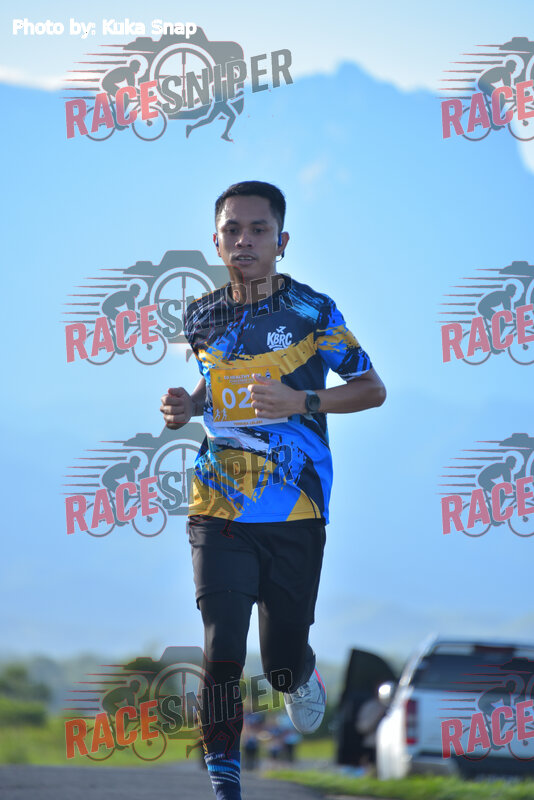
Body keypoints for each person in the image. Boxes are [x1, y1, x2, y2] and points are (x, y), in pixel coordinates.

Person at [160, 181, 386, 800]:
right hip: (218, 505)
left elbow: (371, 389)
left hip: (296, 506)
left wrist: (301, 401)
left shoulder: (313, 311)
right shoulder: (201, 315)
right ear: (216, 242)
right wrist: (189, 406)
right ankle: (225, 783)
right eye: (232, 230)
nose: (244, 241)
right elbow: (218, 382)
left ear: (281, 241)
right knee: (222, 648)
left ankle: (298, 670)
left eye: (258, 229)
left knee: (279, 659)